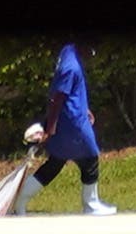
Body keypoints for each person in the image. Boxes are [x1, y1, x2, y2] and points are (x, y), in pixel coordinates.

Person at [48, 43, 111, 216]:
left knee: (54, 164)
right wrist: (50, 128)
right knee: (91, 157)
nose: (92, 54)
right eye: (91, 49)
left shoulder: (68, 51)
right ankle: (90, 205)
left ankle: (20, 200)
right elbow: (57, 98)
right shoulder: (71, 67)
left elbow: (70, 92)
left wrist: (84, 108)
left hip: (73, 117)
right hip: (73, 123)